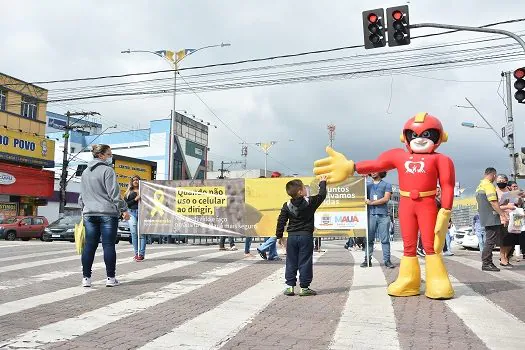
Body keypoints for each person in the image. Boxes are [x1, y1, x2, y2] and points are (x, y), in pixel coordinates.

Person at [79, 144, 130, 287]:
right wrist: (124, 209)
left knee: (89, 245)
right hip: (107, 213)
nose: (110, 157)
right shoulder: (108, 171)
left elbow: (81, 197)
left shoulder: (85, 172)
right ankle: (110, 279)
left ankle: (86, 279)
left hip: (89, 214)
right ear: (101, 156)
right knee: (108, 245)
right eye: (109, 155)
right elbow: (114, 194)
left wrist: (85, 209)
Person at [276, 176, 327, 296]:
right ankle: (304, 288)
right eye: (304, 187)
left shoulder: (286, 205)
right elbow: (322, 195)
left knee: (291, 261)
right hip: (306, 236)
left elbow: (281, 220)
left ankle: (290, 287)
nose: (305, 189)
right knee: (305, 261)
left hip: (292, 237)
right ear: (300, 192)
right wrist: (323, 182)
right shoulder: (310, 202)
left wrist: (279, 236)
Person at [475, 168, 509, 272]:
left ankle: (486, 262)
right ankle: (486, 263)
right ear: (494, 175)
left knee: (489, 240)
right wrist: (502, 214)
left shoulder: (480, 185)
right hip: (491, 217)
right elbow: (493, 202)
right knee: (490, 241)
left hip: (485, 216)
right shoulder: (489, 185)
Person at [361, 172, 394, 269]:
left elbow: (386, 198)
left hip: (383, 215)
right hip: (370, 215)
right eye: (372, 171)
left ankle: (387, 260)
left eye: (376, 170)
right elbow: (359, 192)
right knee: (369, 239)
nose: (374, 172)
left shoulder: (387, 185)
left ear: (381, 172)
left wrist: (372, 203)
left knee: (385, 239)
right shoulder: (367, 185)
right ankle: (367, 260)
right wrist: (363, 180)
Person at [494, 174, 520, 267]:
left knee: (512, 241)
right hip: (502, 218)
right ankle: (503, 259)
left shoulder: (509, 191)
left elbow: (517, 202)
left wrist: (519, 195)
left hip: (513, 218)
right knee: (504, 241)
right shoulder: (495, 191)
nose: (501, 182)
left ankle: (505, 258)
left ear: (506, 181)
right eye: (499, 180)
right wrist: (507, 206)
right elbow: (495, 207)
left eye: (503, 180)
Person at [124, 175, 146, 262]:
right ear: (131, 182)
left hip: (142, 213)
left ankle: (141, 254)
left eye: (137, 180)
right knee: (133, 232)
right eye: (134, 180)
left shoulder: (144, 190)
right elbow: (126, 204)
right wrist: (135, 199)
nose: (135, 181)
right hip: (131, 213)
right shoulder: (128, 192)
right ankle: (136, 253)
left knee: (142, 234)